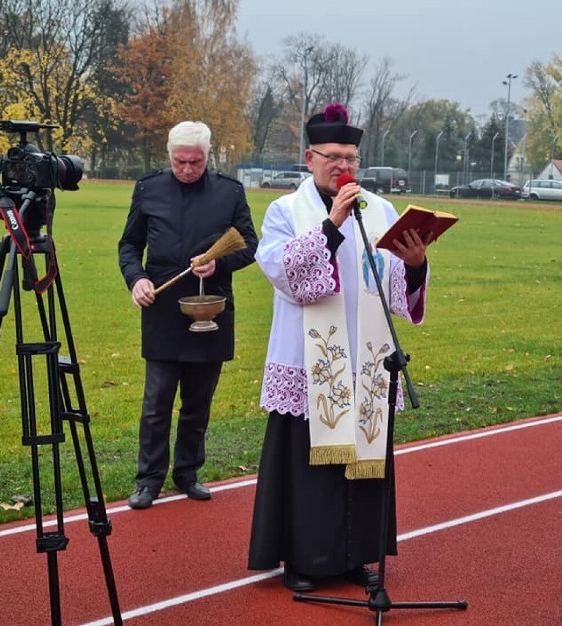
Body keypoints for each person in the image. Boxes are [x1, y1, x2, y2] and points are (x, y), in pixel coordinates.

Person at [247, 103, 432, 592]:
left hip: (366, 364)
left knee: (361, 467)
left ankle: (355, 556)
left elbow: (395, 291)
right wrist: (331, 224)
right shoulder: (285, 211)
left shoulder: (381, 210)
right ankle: (306, 561)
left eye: (351, 157)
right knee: (310, 470)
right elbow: (286, 277)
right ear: (310, 158)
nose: (343, 167)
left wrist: (414, 265)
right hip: (310, 364)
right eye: (333, 157)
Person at [118, 121, 258, 510]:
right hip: (162, 309)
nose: (187, 169)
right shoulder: (149, 189)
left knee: (198, 402)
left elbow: (249, 246)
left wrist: (219, 264)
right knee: (157, 401)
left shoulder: (229, 191)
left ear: (208, 156)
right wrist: (137, 279)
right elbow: (130, 245)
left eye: (195, 162)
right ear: (169, 155)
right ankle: (148, 480)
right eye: (180, 162)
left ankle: (188, 473)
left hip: (210, 310)